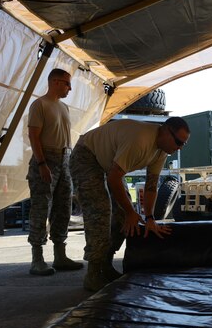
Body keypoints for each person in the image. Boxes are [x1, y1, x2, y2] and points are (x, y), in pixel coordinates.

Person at [70, 116, 189, 291]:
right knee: (100, 212)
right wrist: (130, 212)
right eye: (178, 141)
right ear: (164, 131)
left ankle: (106, 264)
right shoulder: (140, 140)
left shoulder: (162, 150)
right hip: (87, 154)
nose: (179, 147)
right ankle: (93, 274)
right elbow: (114, 178)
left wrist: (149, 218)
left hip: (109, 164)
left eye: (183, 144)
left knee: (122, 217)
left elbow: (151, 185)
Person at [26, 68, 83, 276]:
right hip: (46, 159)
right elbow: (34, 136)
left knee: (63, 208)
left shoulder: (64, 107)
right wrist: (42, 164)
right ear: (56, 82)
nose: (70, 88)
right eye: (67, 84)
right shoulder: (39, 104)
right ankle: (37, 259)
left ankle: (60, 256)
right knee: (41, 208)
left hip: (64, 159)